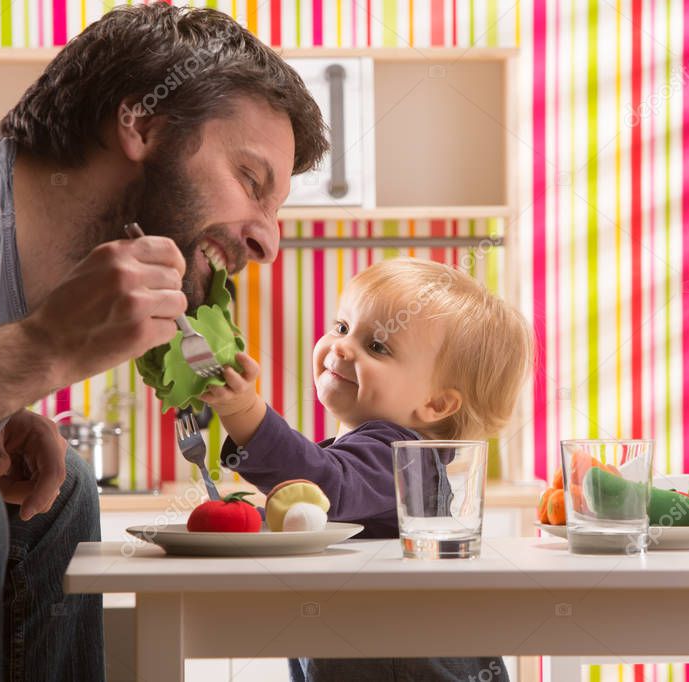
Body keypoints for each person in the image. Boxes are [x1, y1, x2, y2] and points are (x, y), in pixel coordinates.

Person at [0, 5, 328, 680]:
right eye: (250, 182)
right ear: (142, 123)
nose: (267, 241)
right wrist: (39, 350)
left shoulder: (25, 281)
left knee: (59, 489)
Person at [202, 257, 534, 681]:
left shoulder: (403, 458)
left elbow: (326, 488)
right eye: (342, 327)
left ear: (435, 405)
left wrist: (244, 410)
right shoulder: (364, 453)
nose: (341, 346)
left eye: (377, 346)